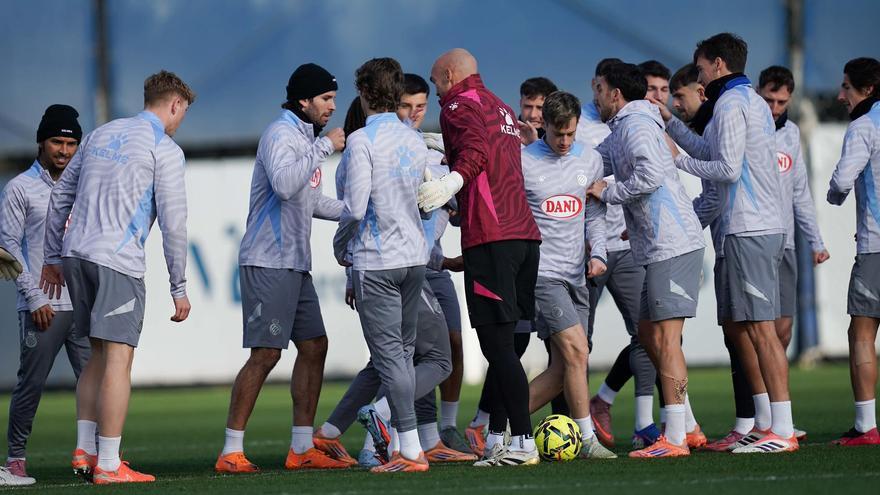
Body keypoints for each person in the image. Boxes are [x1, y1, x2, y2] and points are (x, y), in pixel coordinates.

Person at [41, 70, 195, 483]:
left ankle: (84, 449)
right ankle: (109, 464)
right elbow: (175, 225)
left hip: (76, 254)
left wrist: (53, 255)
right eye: (183, 113)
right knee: (119, 359)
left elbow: (60, 196)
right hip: (116, 261)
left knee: (96, 354)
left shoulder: (100, 134)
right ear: (175, 104)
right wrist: (178, 286)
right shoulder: (165, 149)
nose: (181, 122)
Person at [660, 33, 796, 454]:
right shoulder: (742, 100)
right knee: (747, 329)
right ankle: (763, 423)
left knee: (761, 330)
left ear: (718, 64)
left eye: (700, 67)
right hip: (750, 228)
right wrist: (670, 124)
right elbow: (711, 148)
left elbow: (726, 167)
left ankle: (783, 429)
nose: (698, 77)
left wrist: (678, 159)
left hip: (751, 228)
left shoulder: (735, 103)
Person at [216, 63, 348, 473]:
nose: (332, 107)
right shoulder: (281, 133)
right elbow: (285, 185)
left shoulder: (304, 137)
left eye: (333, 100)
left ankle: (301, 448)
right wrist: (325, 147)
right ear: (304, 100)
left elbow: (311, 201)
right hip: (267, 260)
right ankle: (230, 452)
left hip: (294, 263)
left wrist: (358, 211)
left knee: (314, 346)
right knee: (266, 354)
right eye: (326, 99)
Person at [420, 48, 543, 467]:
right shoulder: (502, 106)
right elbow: (489, 155)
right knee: (511, 342)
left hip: (492, 239)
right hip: (525, 236)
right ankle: (494, 440)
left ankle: (523, 443)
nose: (436, 91)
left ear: (450, 75)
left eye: (436, 82)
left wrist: (448, 184)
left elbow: (474, 153)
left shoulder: (457, 104)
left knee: (497, 345)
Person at [587, 62, 705, 458]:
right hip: (655, 246)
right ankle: (686, 426)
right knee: (649, 334)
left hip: (672, 245)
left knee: (666, 340)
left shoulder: (636, 125)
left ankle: (675, 437)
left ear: (615, 93)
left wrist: (609, 194)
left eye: (599, 87)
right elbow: (591, 165)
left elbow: (652, 174)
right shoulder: (625, 126)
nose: (595, 93)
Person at [333, 57, 431, 473]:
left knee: (390, 357)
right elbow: (428, 206)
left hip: (377, 261)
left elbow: (355, 207)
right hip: (414, 258)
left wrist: (342, 247)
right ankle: (403, 447)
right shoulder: (414, 140)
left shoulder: (361, 141)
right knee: (404, 354)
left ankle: (410, 450)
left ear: (365, 93)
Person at [520, 91, 616, 460]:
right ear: (543, 125)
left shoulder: (590, 159)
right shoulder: (525, 162)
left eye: (571, 134)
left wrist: (599, 253)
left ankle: (503, 426)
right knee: (578, 350)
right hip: (543, 275)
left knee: (565, 367)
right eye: (558, 134)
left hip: (578, 274)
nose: (564, 142)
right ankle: (587, 440)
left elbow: (593, 214)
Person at [0, 105, 90, 482]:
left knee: (96, 384)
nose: (64, 151)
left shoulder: (85, 185)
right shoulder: (20, 187)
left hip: (83, 304)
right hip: (43, 307)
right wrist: (34, 296)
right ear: (41, 142)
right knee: (31, 385)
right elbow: (7, 248)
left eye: (71, 143)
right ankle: (15, 462)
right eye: (57, 141)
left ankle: (97, 456)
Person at [827, 57, 880, 446]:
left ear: (868, 89)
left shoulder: (864, 126)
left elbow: (843, 180)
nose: (841, 94)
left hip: (876, 246)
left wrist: (834, 193)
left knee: (861, 333)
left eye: (847, 87)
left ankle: (865, 426)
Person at [518, 77, 558, 146]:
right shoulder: (504, 138)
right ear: (520, 103)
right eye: (528, 107)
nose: (532, 115)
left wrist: (534, 145)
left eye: (540, 108)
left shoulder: (565, 140)